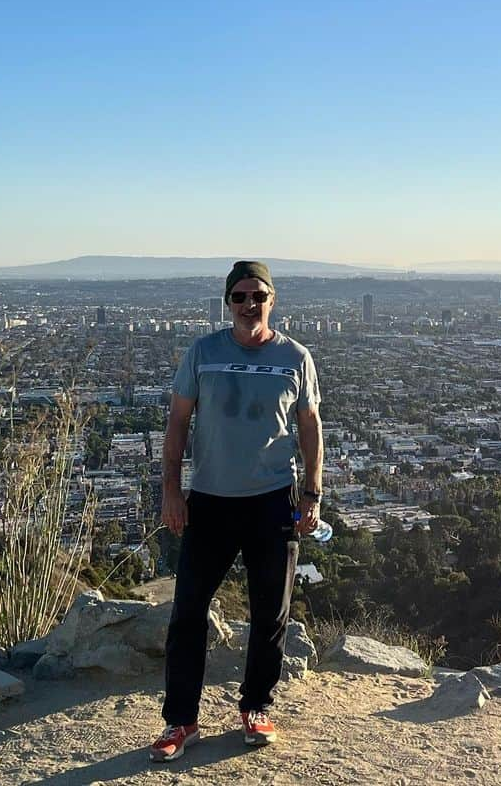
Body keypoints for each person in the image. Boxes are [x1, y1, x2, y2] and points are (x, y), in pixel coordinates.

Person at [149, 260, 323, 762]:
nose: (250, 305)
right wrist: (171, 489)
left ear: (274, 300)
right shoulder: (203, 352)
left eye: (259, 296)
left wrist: (312, 491)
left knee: (271, 611)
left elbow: (310, 427)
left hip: (273, 500)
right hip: (210, 499)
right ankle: (181, 720)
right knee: (188, 613)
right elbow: (178, 423)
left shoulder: (296, 357)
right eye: (240, 297)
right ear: (228, 302)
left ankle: (256, 706)